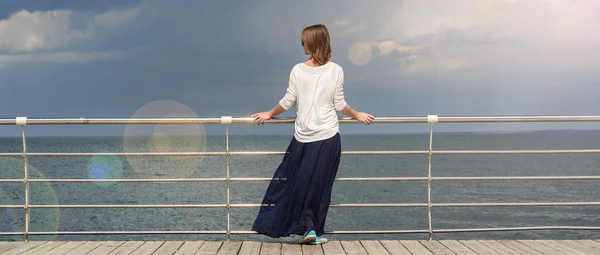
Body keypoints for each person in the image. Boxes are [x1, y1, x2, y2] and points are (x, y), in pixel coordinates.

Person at [250, 24, 375, 245]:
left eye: (303, 40)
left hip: (326, 137)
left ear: (314, 42)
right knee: (298, 184)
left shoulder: (334, 70)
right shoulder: (300, 70)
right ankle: (307, 230)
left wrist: (356, 114)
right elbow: (289, 100)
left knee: (315, 185)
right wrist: (269, 113)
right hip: (305, 138)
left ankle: (311, 231)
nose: (301, 45)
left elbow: (338, 103)